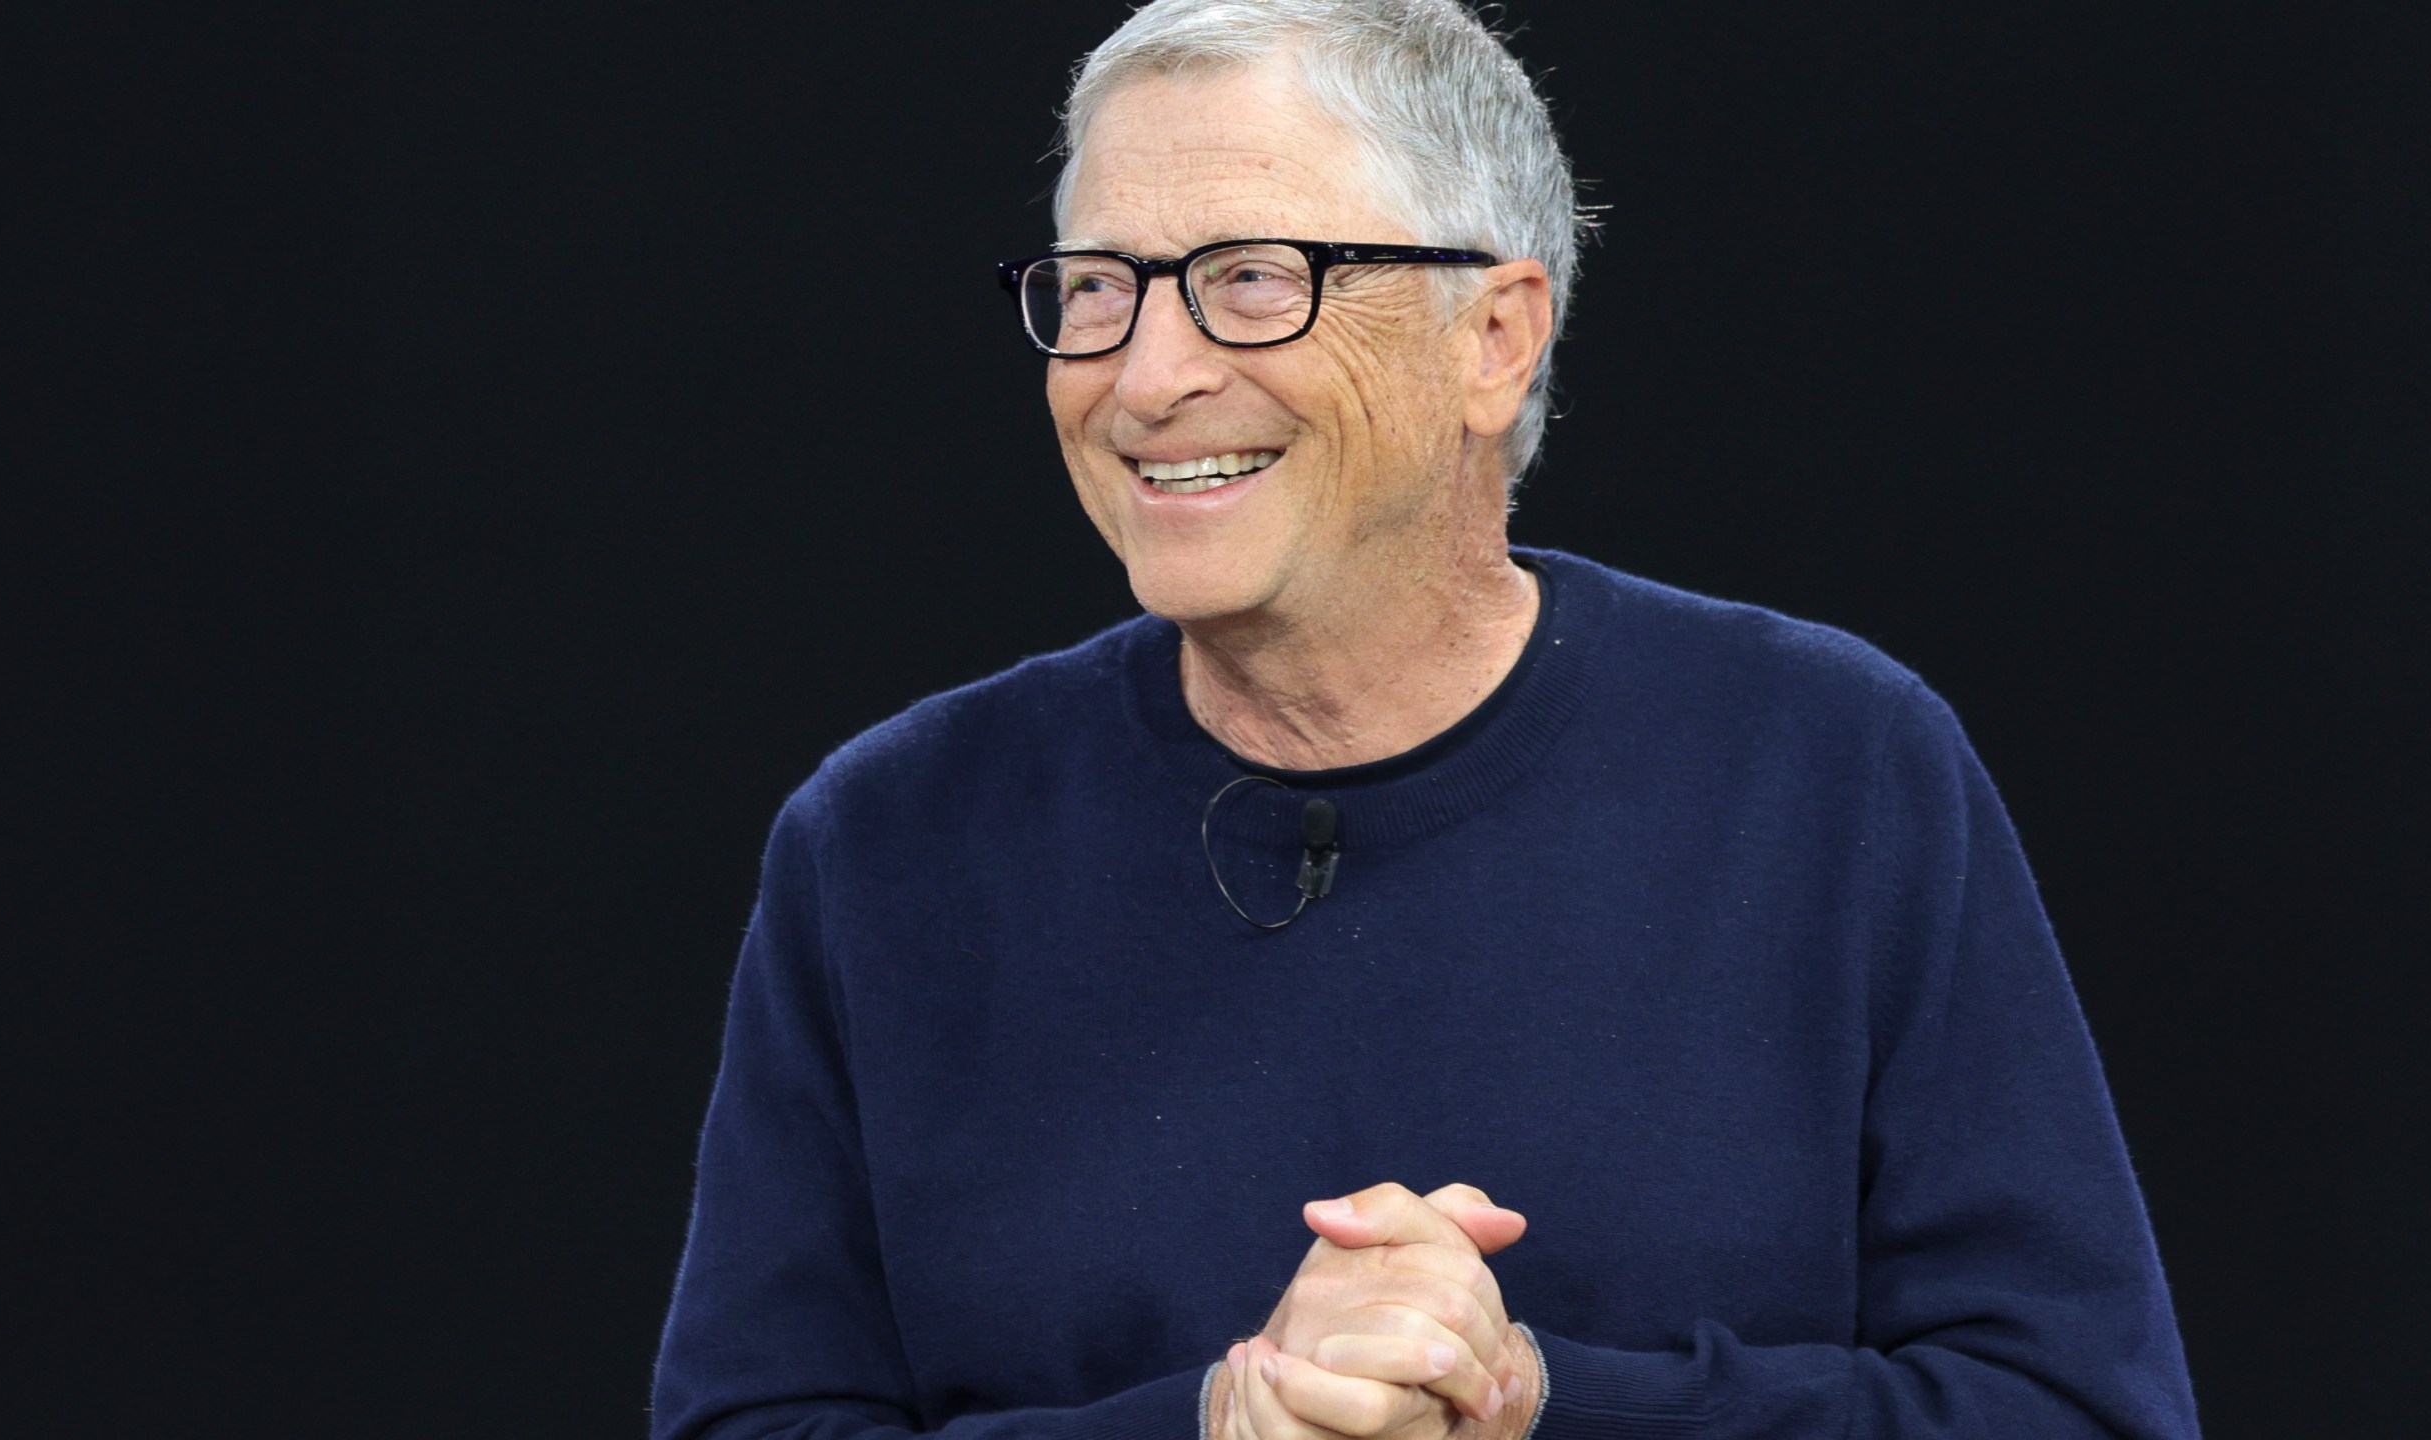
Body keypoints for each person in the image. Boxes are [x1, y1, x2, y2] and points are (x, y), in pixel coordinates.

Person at [650, 2, 2199, 1437]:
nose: (1147, 377)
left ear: (1494, 339)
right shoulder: (887, 843)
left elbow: (2078, 1409)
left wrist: (1531, 1400)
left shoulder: (1831, 770)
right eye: (1100, 288)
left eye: (1254, 280)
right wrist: (1220, 1422)